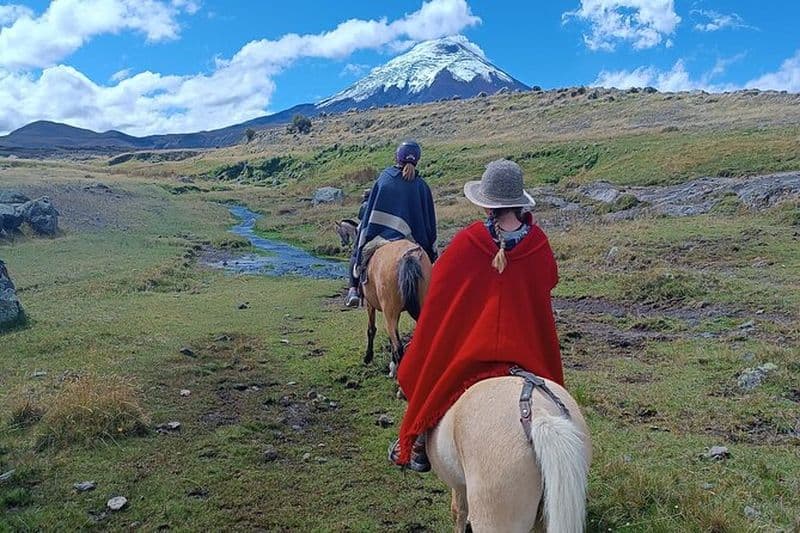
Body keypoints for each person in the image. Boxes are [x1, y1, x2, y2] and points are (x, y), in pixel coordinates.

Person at [388, 159, 565, 472]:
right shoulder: (538, 244)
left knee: (431, 373)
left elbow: (440, 291)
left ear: (487, 206)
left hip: (470, 357)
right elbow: (549, 279)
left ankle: (420, 443)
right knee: (558, 405)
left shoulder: (468, 242)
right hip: (527, 354)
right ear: (519, 205)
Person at [344, 141, 437, 308]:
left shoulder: (385, 178)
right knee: (430, 262)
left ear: (397, 157)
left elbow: (373, 209)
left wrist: (367, 230)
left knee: (358, 248)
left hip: (382, 236)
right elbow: (428, 220)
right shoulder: (422, 186)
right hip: (413, 240)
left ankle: (353, 290)